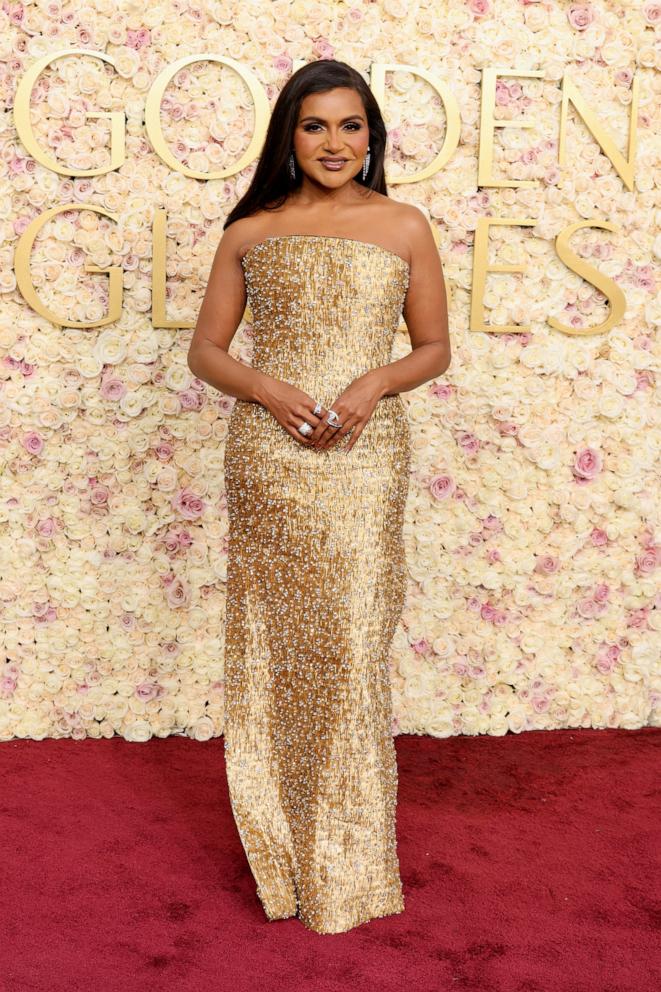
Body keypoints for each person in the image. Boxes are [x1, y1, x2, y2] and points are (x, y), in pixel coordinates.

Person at [187, 58, 450, 934]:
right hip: (271, 456)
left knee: (349, 648)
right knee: (275, 650)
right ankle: (284, 860)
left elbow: (433, 348)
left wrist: (376, 381)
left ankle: (351, 868)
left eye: (348, 125)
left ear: (371, 135)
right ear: (287, 137)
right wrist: (266, 389)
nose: (332, 143)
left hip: (366, 459)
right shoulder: (251, 229)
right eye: (313, 126)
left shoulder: (405, 224)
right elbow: (207, 353)